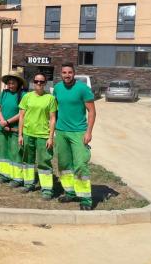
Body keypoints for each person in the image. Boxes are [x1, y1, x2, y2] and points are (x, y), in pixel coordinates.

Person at [53, 63, 96, 210]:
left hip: (78, 132)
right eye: (64, 72)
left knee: (80, 164)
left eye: (70, 72)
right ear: (61, 73)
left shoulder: (83, 89)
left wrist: (88, 132)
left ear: (74, 73)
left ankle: (85, 199)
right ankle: (70, 192)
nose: (67, 75)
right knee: (64, 165)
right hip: (61, 131)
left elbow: (91, 111)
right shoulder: (57, 88)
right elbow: (55, 110)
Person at [18, 73, 57, 200]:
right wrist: (20, 134)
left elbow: (52, 119)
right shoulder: (27, 97)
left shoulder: (50, 98)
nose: (39, 84)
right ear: (33, 82)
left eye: (41, 82)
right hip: (28, 134)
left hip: (43, 135)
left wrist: (50, 137)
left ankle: (46, 189)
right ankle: (28, 183)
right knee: (27, 161)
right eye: (36, 81)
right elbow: (22, 117)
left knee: (44, 162)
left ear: (45, 83)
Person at [0, 70, 27, 187]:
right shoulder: (4, 93)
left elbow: (22, 113)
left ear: (18, 83)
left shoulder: (23, 95)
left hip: (14, 130)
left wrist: (8, 122)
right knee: (3, 152)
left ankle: (17, 178)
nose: (10, 85)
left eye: (13, 83)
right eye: (9, 83)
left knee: (15, 153)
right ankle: (4, 175)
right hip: (2, 129)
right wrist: (2, 121)